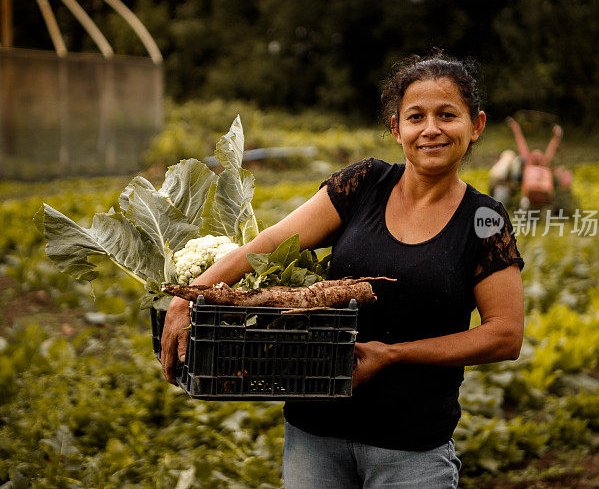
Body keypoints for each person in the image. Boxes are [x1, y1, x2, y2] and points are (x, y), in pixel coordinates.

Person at [161, 53, 525, 488]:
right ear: (396, 129)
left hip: (412, 449)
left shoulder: (486, 219)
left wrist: (391, 355)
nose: (431, 129)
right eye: (416, 116)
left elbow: (505, 335)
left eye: (447, 115)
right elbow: (271, 244)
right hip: (315, 436)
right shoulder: (363, 184)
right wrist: (190, 294)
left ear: (476, 125)